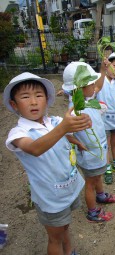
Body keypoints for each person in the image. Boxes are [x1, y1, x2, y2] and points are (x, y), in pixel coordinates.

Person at [4, 72, 91, 255]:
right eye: (25, 97)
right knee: (54, 237)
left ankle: (70, 251)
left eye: (39, 95)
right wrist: (64, 128)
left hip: (68, 188)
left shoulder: (54, 122)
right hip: (50, 198)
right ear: (14, 105)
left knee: (64, 227)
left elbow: (67, 132)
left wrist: (82, 126)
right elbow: (35, 148)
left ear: (47, 99)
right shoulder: (18, 133)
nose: (34, 102)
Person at [62, 61, 115, 222]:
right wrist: (79, 143)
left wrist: (102, 69)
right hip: (89, 154)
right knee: (90, 182)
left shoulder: (88, 100)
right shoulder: (74, 111)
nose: (95, 87)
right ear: (79, 88)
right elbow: (65, 132)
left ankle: (101, 195)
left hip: (98, 150)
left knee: (97, 177)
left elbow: (99, 87)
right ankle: (92, 211)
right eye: (91, 84)